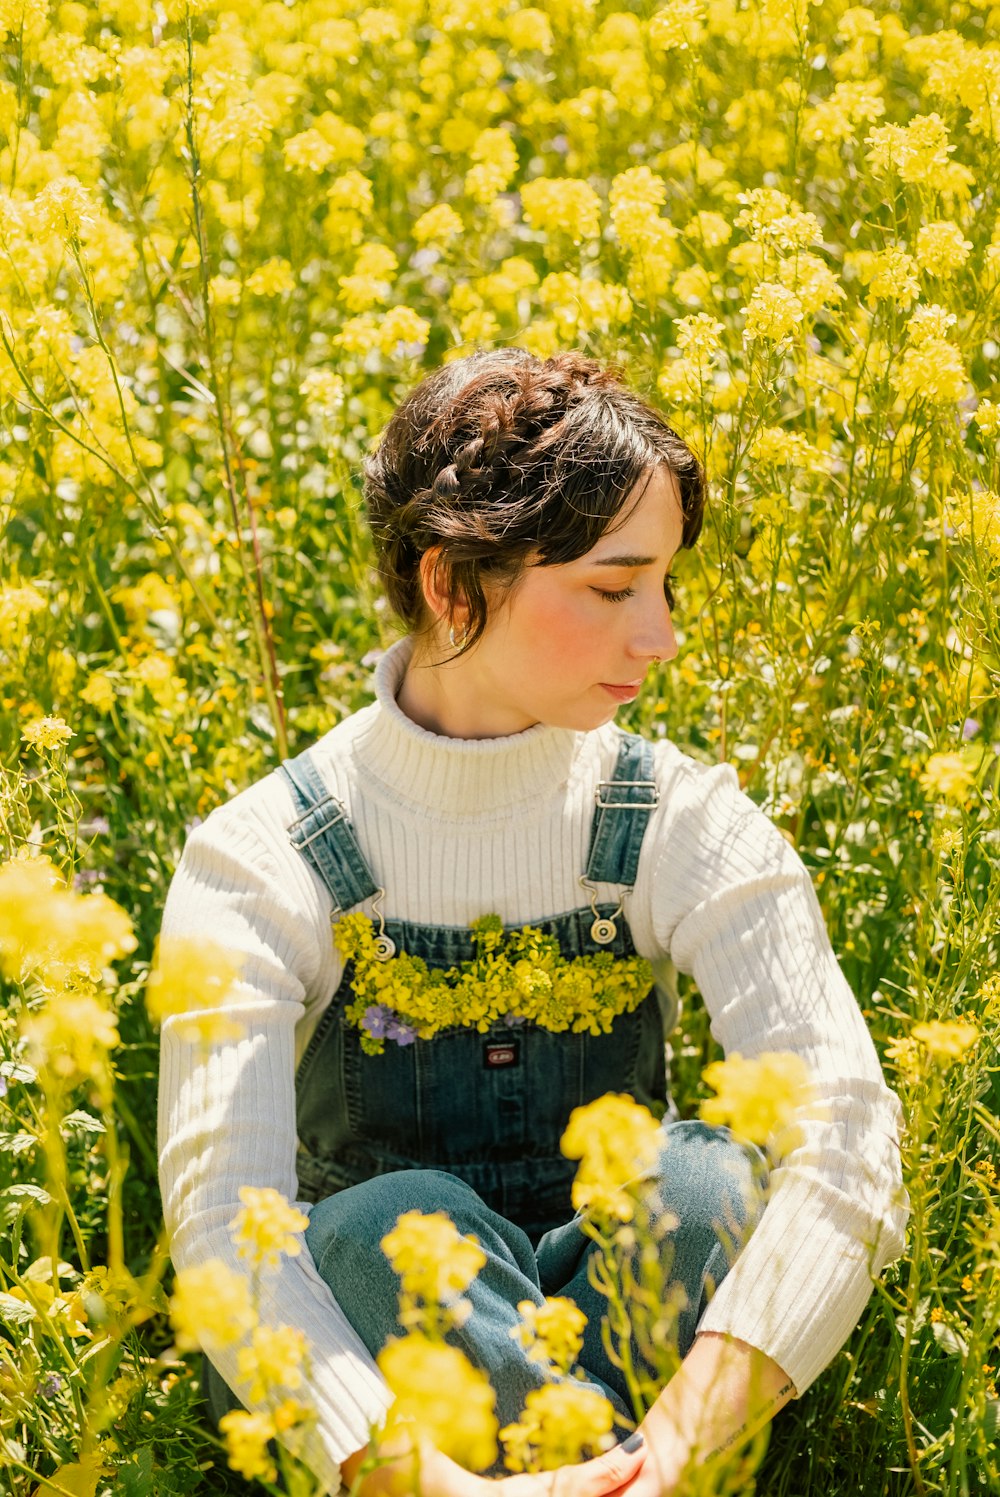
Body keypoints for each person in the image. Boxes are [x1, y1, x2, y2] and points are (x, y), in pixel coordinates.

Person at [157, 347, 908, 1497]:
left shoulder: (678, 820)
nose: (657, 637)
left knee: (701, 1187)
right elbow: (226, 1228)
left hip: (632, 1348)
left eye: (663, 587)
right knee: (383, 1230)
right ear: (455, 584)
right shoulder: (267, 855)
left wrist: (672, 1456)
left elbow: (848, 1137)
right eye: (614, 590)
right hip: (397, 1399)